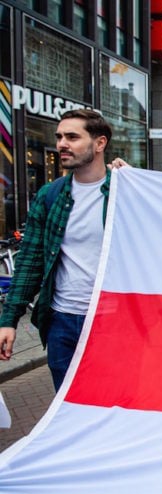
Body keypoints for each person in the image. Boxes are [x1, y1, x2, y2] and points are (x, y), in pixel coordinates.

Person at [0, 109, 113, 390]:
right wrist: (9, 320)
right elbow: (30, 260)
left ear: (100, 143)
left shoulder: (125, 192)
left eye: (73, 137)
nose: (62, 143)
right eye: (60, 137)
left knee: (112, 409)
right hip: (61, 322)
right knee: (67, 411)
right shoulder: (50, 195)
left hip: (112, 322)